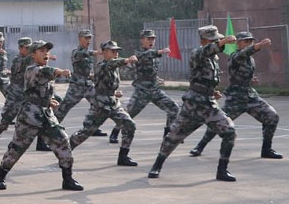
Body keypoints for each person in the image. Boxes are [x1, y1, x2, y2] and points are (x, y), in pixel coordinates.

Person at [148, 26, 238, 181]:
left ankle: (222, 170)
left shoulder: (214, 58)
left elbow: (206, 78)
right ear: (204, 40)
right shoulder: (198, 53)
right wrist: (223, 41)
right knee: (173, 138)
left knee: (229, 132)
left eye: (217, 39)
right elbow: (207, 51)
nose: (217, 42)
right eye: (214, 40)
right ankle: (157, 165)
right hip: (193, 105)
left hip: (209, 105)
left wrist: (211, 91)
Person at [0, 40, 83, 191]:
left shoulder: (43, 69)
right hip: (29, 117)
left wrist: (49, 101)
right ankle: (0, 176)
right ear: (33, 54)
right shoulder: (32, 69)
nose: (45, 53)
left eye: (47, 51)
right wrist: (59, 72)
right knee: (17, 149)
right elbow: (46, 73)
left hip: (46, 116)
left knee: (63, 141)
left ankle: (67, 179)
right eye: (41, 51)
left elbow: (42, 90)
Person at [189, 32, 281, 159]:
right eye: (246, 41)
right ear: (239, 43)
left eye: (251, 41)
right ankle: (200, 146)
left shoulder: (251, 60)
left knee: (272, 116)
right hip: (235, 99)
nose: (249, 43)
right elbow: (245, 53)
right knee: (219, 123)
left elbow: (243, 71)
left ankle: (266, 149)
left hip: (250, 96)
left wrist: (250, 81)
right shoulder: (235, 56)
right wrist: (259, 45)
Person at [68, 41, 140, 166]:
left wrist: (114, 92)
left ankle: (123, 156)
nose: (116, 53)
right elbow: (112, 64)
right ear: (105, 52)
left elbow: (105, 82)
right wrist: (127, 59)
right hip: (100, 105)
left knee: (129, 125)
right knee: (86, 132)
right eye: (113, 51)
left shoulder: (113, 67)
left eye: (117, 51)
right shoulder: (103, 65)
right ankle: (65, 151)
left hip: (113, 103)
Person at [109, 30, 178, 143]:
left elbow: (150, 71)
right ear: (142, 40)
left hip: (155, 90)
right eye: (149, 39)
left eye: (153, 39)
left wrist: (157, 79)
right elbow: (146, 55)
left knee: (174, 109)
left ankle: (168, 134)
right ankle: (115, 133)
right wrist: (161, 51)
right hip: (142, 91)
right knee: (128, 114)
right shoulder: (139, 53)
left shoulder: (154, 55)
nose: (151, 41)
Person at [52, 29, 107, 143]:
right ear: (80, 39)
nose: (88, 40)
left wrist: (93, 76)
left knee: (98, 104)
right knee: (63, 109)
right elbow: (83, 54)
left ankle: (91, 127)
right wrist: (97, 52)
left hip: (87, 85)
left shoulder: (87, 52)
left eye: (89, 38)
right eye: (86, 38)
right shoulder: (76, 52)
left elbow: (85, 70)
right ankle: (50, 129)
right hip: (76, 87)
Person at [0, 37, 33, 150]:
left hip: (26, 95)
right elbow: (25, 62)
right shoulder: (18, 60)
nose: (29, 50)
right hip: (15, 95)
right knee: (5, 121)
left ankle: (39, 143)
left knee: (34, 120)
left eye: (30, 48)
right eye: (27, 48)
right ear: (20, 48)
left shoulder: (31, 60)